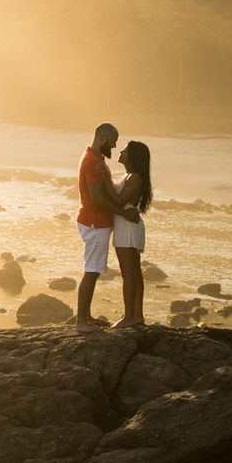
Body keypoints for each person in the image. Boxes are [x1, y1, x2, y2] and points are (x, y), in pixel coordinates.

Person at [75, 123, 140, 333]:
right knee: (92, 271)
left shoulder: (96, 159)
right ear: (103, 138)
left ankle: (86, 316)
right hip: (94, 222)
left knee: (93, 269)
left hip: (96, 221)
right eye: (112, 143)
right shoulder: (92, 161)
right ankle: (81, 322)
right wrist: (123, 213)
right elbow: (97, 198)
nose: (113, 148)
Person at [97, 140, 153, 328]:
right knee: (134, 272)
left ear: (133, 156)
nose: (121, 152)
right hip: (125, 223)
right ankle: (136, 316)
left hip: (127, 225)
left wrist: (105, 180)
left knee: (129, 272)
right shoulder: (128, 176)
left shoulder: (135, 177)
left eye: (126, 151)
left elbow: (119, 201)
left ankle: (130, 317)